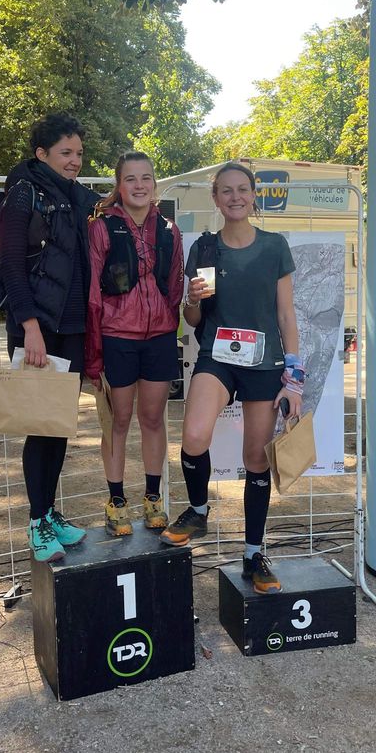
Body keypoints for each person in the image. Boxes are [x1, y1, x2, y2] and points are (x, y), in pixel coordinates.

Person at [160, 162, 304, 594]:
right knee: (193, 435)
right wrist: (191, 299)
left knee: (256, 459)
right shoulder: (204, 249)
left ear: (254, 194)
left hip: (264, 364)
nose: (235, 197)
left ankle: (253, 553)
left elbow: (286, 315)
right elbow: (192, 319)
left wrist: (294, 378)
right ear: (216, 197)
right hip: (217, 358)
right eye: (226, 190)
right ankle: (198, 510)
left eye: (243, 189)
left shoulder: (275, 246)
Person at [0, 112, 100, 562]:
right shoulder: (24, 193)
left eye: (79, 153)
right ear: (41, 154)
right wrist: (30, 329)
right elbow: (11, 265)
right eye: (65, 152)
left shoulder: (77, 197)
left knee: (57, 428)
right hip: (38, 330)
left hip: (72, 328)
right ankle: (37, 521)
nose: (74, 160)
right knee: (40, 429)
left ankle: (49, 513)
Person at [85, 152, 184, 536]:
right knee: (119, 420)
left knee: (154, 418)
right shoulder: (102, 228)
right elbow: (93, 294)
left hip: (159, 338)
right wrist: (94, 354)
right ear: (119, 185)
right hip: (117, 337)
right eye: (131, 178)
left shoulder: (170, 230)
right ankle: (116, 501)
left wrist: (166, 323)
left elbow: (174, 286)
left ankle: (153, 497)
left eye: (146, 178)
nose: (139, 185)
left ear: (155, 183)